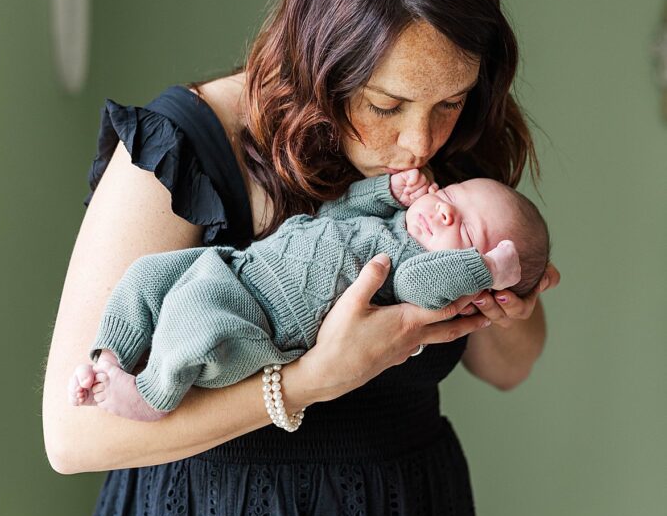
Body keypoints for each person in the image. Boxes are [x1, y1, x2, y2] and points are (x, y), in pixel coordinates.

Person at [43, 0, 559, 516]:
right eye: (386, 105)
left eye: (450, 102)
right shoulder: (183, 147)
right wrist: (307, 383)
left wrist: (508, 309)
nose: (418, 140)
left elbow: (505, 366)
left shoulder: (444, 177)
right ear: (317, 65)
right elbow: (71, 439)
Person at [67, 168, 548, 422]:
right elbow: (334, 209)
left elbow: (426, 286)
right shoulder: (387, 223)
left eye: (467, 231)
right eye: (452, 195)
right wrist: (386, 189)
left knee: (193, 320)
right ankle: (111, 354)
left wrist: (486, 269)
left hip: (257, 320)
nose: (444, 212)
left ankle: (152, 394)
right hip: (238, 268)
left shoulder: (412, 273)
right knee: (151, 274)